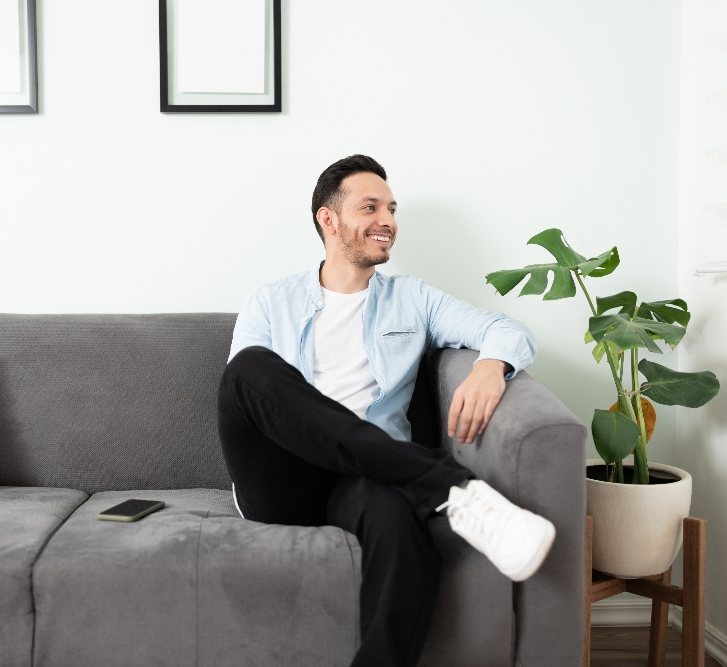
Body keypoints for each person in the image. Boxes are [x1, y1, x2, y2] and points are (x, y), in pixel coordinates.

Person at [217, 154, 556, 667]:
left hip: (367, 478)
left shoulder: (412, 299)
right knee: (248, 368)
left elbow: (507, 330)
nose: (388, 221)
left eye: (392, 209)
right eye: (370, 207)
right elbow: (250, 397)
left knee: (398, 519)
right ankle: (451, 487)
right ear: (327, 220)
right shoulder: (270, 302)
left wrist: (491, 366)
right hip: (280, 478)